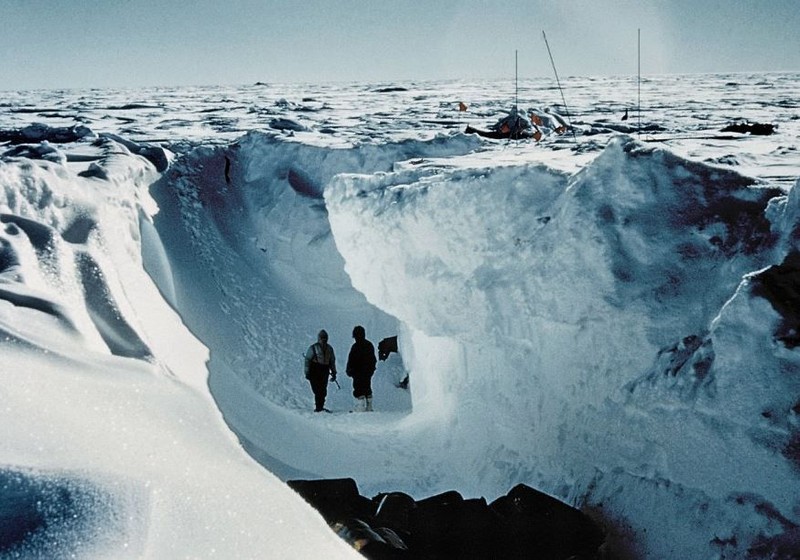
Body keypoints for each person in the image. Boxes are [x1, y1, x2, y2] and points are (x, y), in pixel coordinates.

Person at [304, 329, 337, 412]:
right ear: (318, 338)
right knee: (317, 389)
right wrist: (307, 372)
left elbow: (332, 361)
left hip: (324, 370)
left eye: (325, 338)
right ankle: (318, 406)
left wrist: (334, 372)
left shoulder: (329, 349)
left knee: (323, 389)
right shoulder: (313, 348)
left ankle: (320, 406)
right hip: (315, 369)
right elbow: (307, 360)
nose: (324, 340)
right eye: (322, 338)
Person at [346, 325, 377, 412]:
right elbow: (373, 359)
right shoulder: (369, 345)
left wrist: (349, 370)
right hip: (367, 372)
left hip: (357, 372)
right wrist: (371, 369)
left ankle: (360, 407)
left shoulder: (355, 347)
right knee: (367, 387)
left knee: (358, 388)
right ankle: (369, 406)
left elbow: (351, 360)